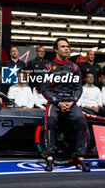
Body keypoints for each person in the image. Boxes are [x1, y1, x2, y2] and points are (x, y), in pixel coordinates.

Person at [41, 37, 89, 172]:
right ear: (56, 50)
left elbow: (79, 88)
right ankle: (50, 157)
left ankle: (80, 158)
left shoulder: (75, 67)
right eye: (63, 47)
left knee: (82, 122)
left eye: (68, 46)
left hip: (70, 101)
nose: (67, 49)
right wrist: (58, 102)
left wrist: (71, 102)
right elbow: (44, 89)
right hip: (54, 102)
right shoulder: (48, 67)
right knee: (51, 121)